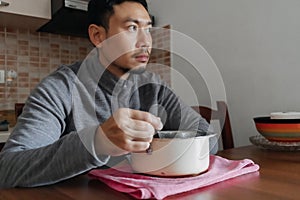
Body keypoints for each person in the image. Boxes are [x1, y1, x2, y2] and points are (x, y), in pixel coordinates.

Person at [0, 0, 216, 188]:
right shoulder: (61, 87)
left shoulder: (153, 86)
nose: (145, 42)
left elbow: (204, 134)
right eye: (132, 28)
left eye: (148, 29)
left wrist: (158, 146)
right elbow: (8, 169)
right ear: (98, 36)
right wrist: (97, 142)